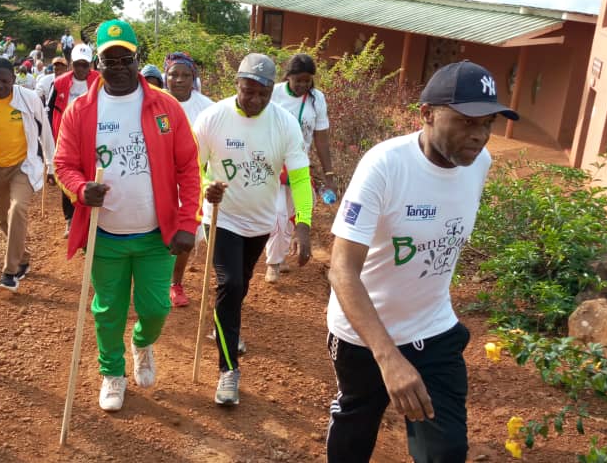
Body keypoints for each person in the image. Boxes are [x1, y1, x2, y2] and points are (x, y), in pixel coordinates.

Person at [325, 60, 518, 462]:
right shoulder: (384, 167)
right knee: (355, 435)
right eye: (466, 121)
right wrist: (389, 357)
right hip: (363, 336)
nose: (479, 136)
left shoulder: (478, 164)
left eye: (488, 123)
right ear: (427, 115)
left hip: (432, 328)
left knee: (445, 451)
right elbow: (342, 269)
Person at [54, 19, 201, 412]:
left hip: (156, 235)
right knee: (108, 311)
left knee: (156, 309)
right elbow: (63, 164)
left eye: (125, 58)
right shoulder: (80, 111)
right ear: (97, 64)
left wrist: (188, 222)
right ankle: (112, 373)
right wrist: (82, 190)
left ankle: (142, 344)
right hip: (106, 235)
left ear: (138, 59)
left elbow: (189, 167)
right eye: (109, 59)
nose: (118, 66)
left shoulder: (165, 106)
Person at [193, 53, 313, 406]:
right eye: (249, 92)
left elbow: (300, 176)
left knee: (240, 286)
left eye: (263, 93)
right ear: (237, 86)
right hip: (220, 216)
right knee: (229, 283)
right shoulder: (213, 118)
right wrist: (205, 188)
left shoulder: (285, 123)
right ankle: (228, 371)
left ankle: (223, 325)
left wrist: (302, 222)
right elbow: (191, 166)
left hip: (261, 221)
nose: (256, 100)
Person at [0, 58, 56, 291]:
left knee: (17, 208)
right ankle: (24, 257)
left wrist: (51, 164)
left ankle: (10, 272)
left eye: (4, 81)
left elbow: (45, 131)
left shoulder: (28, 100)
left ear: (13, 80)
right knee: (2, 217)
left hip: (23, 165)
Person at [264, 54, 337, 283]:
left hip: (298, 165)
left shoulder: (317, 99)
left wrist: (329, 175)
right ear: (288, 77)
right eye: (299, 81)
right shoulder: (273, 93)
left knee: (292, 214)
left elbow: (321, 139)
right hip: (272, 162)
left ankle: (279, 253)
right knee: (277, 214)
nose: (303, 85)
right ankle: (273, 264)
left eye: (308, 81)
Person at [163, 51, 213, 308]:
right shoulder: (155, 102)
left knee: (187, 231)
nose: (179, 80)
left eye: (185, 75)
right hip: (158, 178)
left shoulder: (207, 107)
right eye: (174, 74)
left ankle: (176, 281)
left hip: (193, 180)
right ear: (166, 76)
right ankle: (155, 277)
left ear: (194, 77)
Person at [49, 43, 100, 236]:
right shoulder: (60, 83)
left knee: (90, 176)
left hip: (91, 137)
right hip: (66, 137)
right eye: (77, 64)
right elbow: (50, 109)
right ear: (71, 64)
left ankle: (89, 219)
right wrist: (52, 137)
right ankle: (70, 220)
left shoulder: (99, 81)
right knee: (68, 179)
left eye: (85, 65)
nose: (81, 69)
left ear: (91, 65)